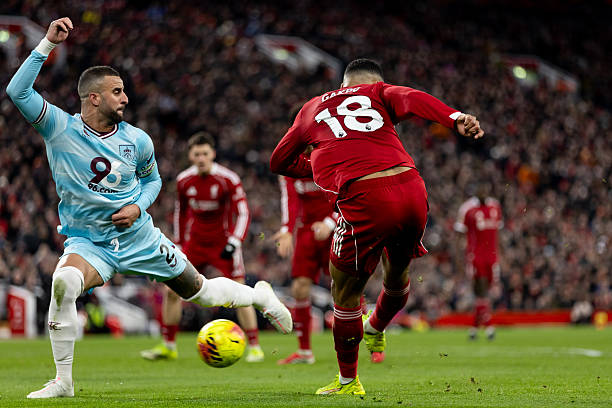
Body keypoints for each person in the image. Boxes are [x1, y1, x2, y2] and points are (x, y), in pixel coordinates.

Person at [7, 18, 291, 399]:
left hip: (140, 238)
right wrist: (46, 44)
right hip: (90, 244)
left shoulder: (137, 140)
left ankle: (259, 296)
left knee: (202, 293)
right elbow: (17, 90)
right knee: (64, 282)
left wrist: (138, 208)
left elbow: (153, 182)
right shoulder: (60, 127)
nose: (126, 98)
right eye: (117, 92)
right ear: (94, 98)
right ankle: (63, 382)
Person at [270, 58, 484, 395]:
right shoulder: (380, 93)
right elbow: (413, 98)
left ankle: (348, 381)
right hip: (412, 188)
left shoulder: (313, 108)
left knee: (345, 292)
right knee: (397, 275)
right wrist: (454, 117)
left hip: (363, 197)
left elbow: (278, 161)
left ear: (343, 84)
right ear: (375, 82)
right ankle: (376, 327)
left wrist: (316, 162)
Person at [141, 132, 264, 362]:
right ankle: (168, 345)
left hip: (222, 243)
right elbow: (180, 213)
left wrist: (235, 241)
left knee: (240, 291)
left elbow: (243, 211)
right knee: (171, 289)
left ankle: (255, 347)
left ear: (213, 154)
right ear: (190, 155)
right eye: (196, 154)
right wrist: (178, 244)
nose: (201, 158)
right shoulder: (184, 180)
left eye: (205, 154)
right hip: (194, 244)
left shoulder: (228, 179)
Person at [272, 173, 337, 365]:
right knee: (299, 287)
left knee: (346, 286)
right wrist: (286, 230)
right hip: (306, 231)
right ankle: (304, 351)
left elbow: (346, 195)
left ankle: (372, 342)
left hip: (336, 228)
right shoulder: (290, 164)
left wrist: (329, 223)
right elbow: (290, 200)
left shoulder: (330, 156)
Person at [454, 184, 502, 340]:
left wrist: (500, 254)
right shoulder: (467, 209)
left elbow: (497, 233)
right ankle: (489, 327)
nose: (483, 192)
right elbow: (459, 234)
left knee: (484, 292)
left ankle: (474, 329)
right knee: (481, 290)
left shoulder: (495, 206)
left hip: (492, 256)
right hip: (476, 256)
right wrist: (460, 258)